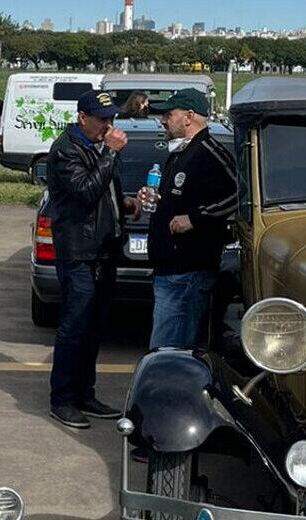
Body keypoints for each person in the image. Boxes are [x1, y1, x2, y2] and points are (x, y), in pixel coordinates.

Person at [45, 90, 139, 429]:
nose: (108, 125)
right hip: (79, 252)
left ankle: (86, 393)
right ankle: (63, 399)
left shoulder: (99, 149)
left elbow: (104, 192)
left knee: (95, 327)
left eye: (112, 118)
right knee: (74, 326)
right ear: (82, 117)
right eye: (102, 119)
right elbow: (84, 191)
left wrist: (125, 203)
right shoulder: (66, 150)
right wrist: (109, 154)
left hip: (103, 249)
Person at [138, 88, 238, 351]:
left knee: (170, 351)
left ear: (189, 117)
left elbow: (239, 194)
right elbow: (179, 196)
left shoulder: (209, 152)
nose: (163, 120)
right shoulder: (180, 152)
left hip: (187, 271)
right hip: (168, 269)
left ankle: (167, 392)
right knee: (163, 347)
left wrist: (195, 218)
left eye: (169, 114)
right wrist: (157, 198)